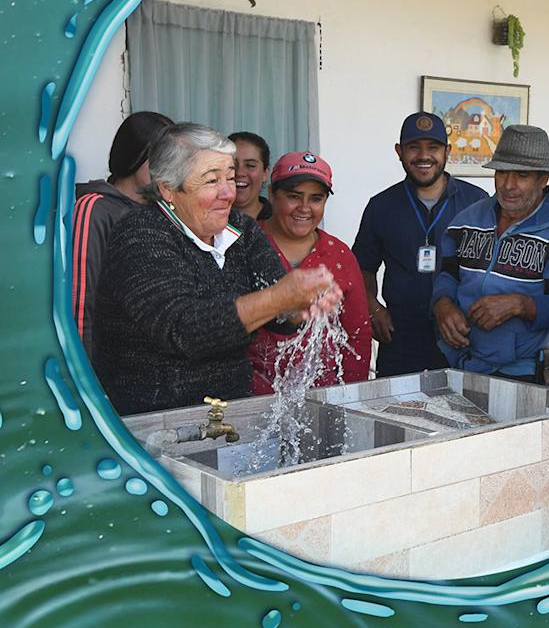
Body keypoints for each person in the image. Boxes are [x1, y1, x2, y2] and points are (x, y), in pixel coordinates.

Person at [91, 123, 342, 415]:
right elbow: (184, 328)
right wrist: (278, 299)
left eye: (230, 178)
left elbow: (274, 301)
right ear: (168, 189)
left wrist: (297, 308)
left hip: (230, 411)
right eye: (212, 181)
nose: (229, 193)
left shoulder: (241, 230)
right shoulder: (140, 234)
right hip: (156, 421)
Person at [352, 112, 487, 377]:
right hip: (400, 337)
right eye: (414, 147)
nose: (424, 156)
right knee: (396, 413)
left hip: (461, 336)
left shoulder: (478, 203)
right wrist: (372, 307)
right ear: (399, 151)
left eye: (433, 148)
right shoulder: (381, 206)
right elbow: (362, 268)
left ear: (447, 151)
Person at [431, 125, 549, 382]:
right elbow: (447, 275)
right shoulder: (467, 219)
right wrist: (442, 305)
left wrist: (520, 305)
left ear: (543, 179)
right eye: (502, 172)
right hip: (459, 362)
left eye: (521, 175)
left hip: (520, 371)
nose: (508, 185)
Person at [247, 151, 371, 393]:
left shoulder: (339, 254)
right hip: (251, 397)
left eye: (316, 199)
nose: (304, 208)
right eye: (294, 196)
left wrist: (350, 398)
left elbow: (357, 334)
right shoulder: (244, 245)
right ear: (272, 194)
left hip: (322, 398)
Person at [72, 111, 174, 357]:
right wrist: (85, 378)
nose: (171, 168)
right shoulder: (95, 207)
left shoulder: (164, 212)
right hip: (107, 370)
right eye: (162, 158)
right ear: (137, 155)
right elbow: (80, 300)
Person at [228, 131, 272, 220]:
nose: (239, 172)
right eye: (232, 165)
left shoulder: (281, 221)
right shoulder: (202, 220)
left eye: (250, 165)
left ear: (265, 173)